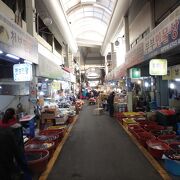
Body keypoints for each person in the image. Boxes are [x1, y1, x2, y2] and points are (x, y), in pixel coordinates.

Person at [0, 108, 32, 180]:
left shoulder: (1, 123)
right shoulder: (15, 126)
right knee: (21, 163)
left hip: (4, 155)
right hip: (13, 150)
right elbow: (18, 143)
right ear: (13, 115)